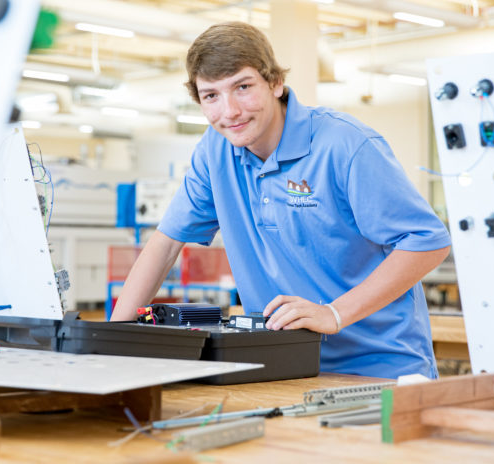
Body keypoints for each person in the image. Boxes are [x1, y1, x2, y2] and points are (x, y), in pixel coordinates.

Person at [111, 21, 451, 379]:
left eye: (242, 87)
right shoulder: (215, 152)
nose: (230, 112)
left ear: (275, 82)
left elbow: (427, 241)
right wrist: (112, 344)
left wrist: (333, 314)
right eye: (211, 95)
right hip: (283, 362)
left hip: (377, 365)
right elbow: (165, 244)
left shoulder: (344, 145)